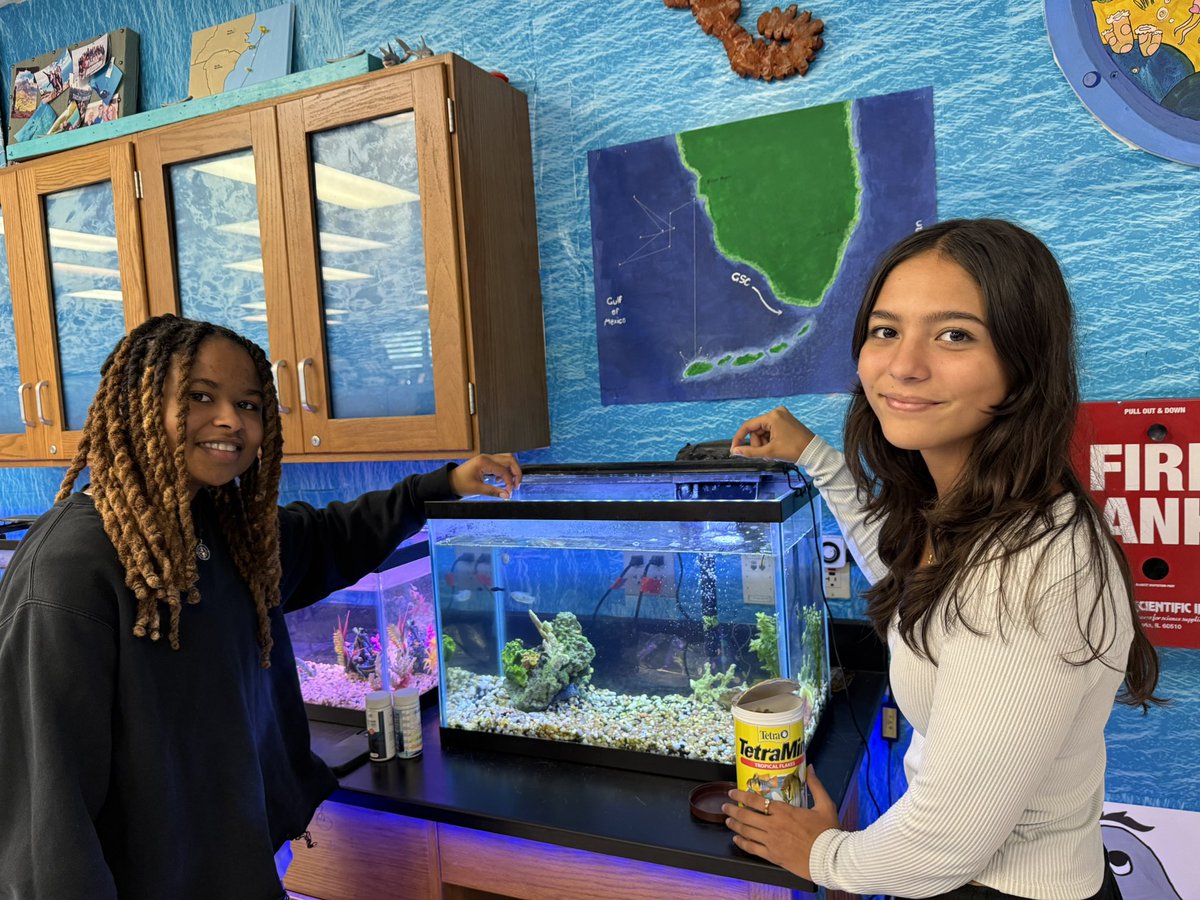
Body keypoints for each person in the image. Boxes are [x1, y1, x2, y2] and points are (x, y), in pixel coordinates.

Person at [0, 315, 522, 899]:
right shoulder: (68, 569)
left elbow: (329, 537)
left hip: (243, 856)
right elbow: (45, 807)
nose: (231, 421)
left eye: (248, 404)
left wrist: (444, 485)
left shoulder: (224, 528)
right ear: (134, 404)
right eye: (200, 396)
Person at [723, 219, 1160, 900]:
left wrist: (824, 857)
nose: (904, 365)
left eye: (955, 334)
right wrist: (814, 457)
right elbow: (907, 578)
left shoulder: (1029, 566)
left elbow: (946, 843)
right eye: (885, 330)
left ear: (1023, 365)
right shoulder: (979, 513)